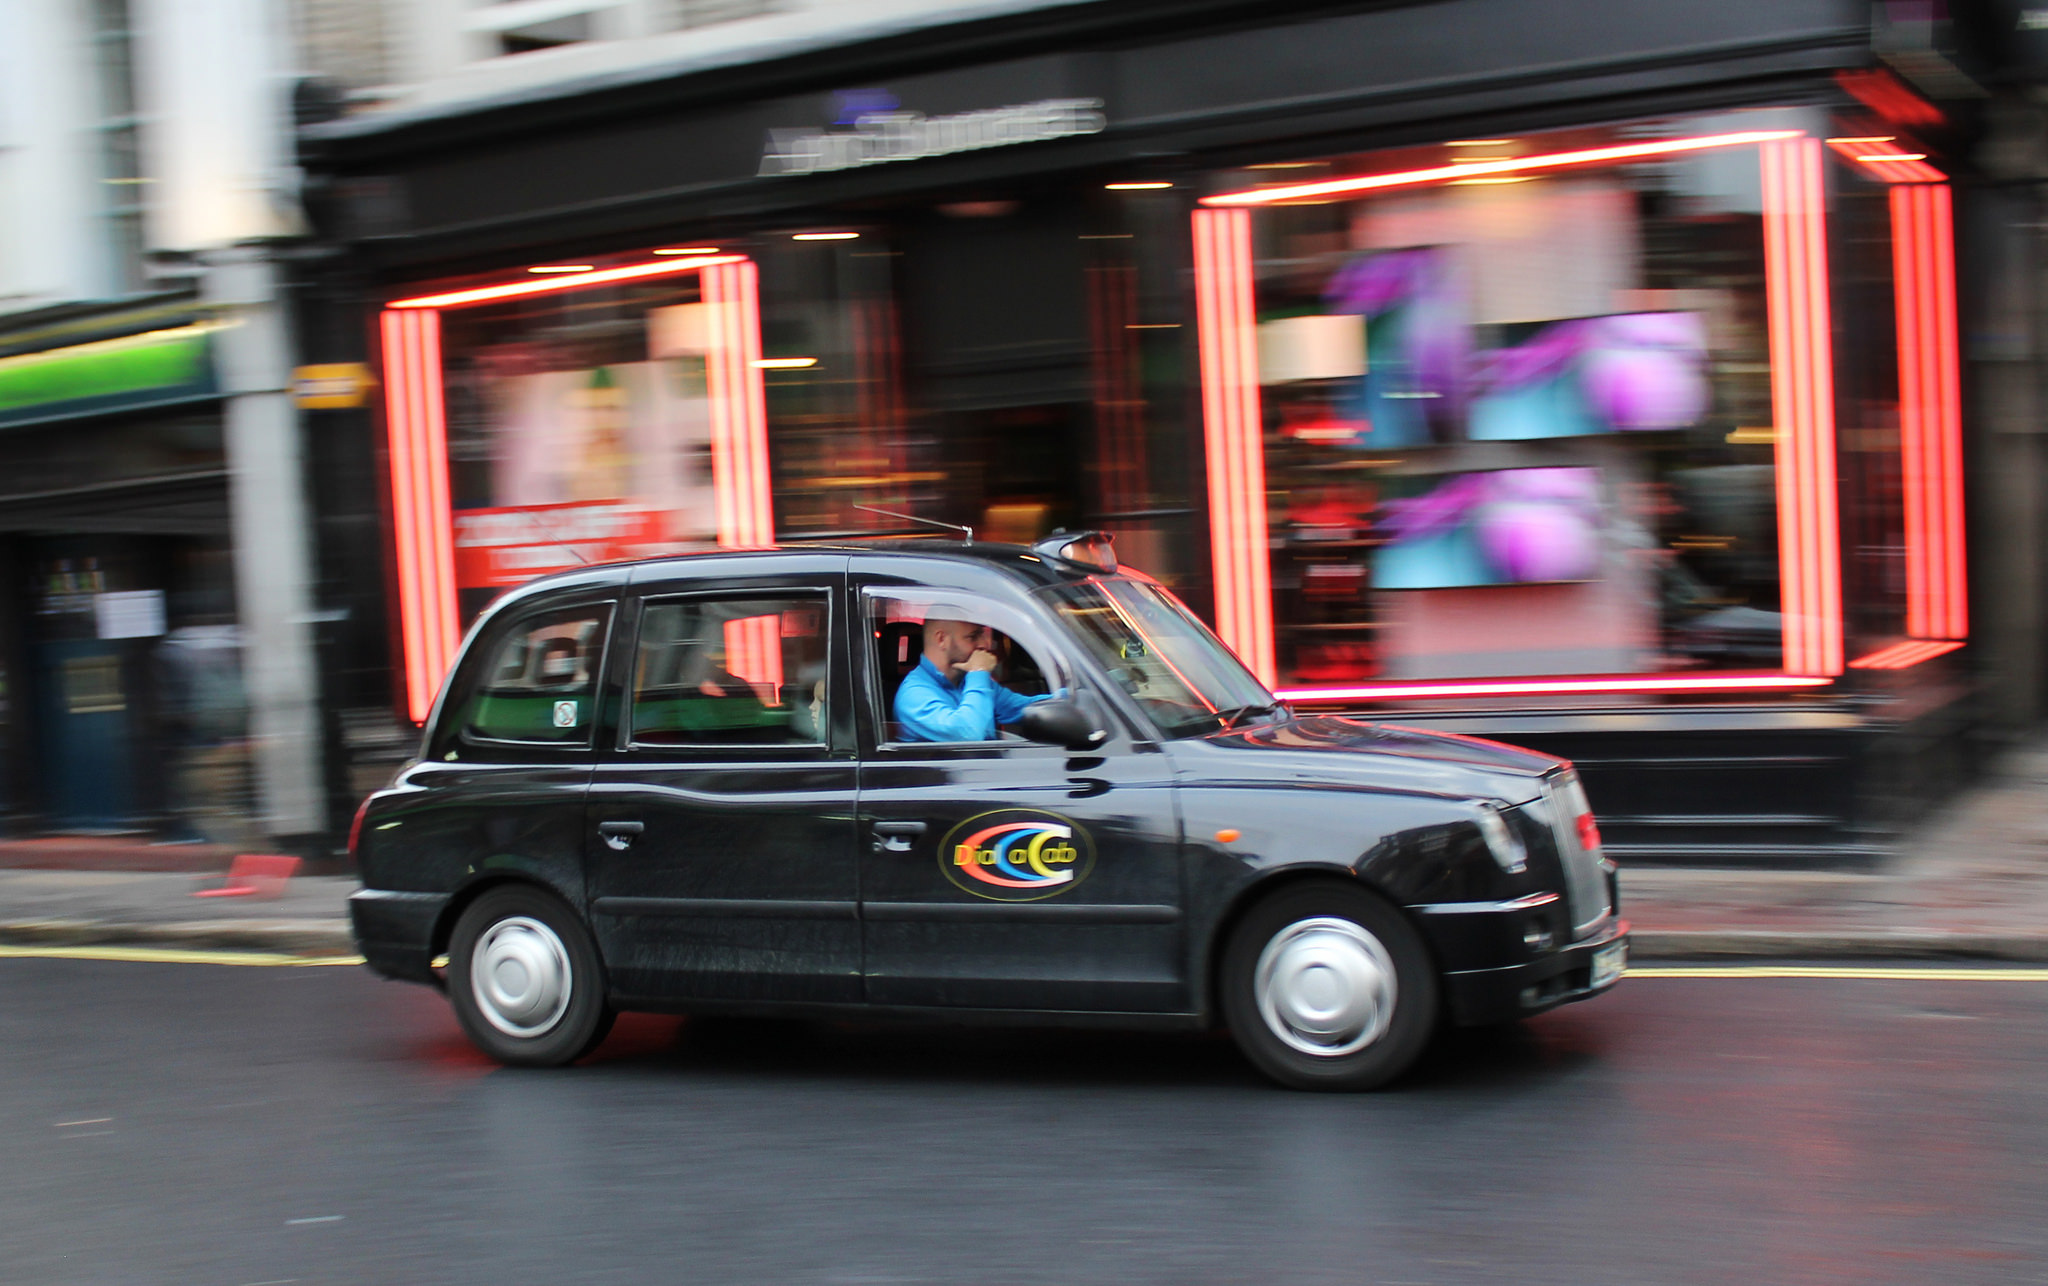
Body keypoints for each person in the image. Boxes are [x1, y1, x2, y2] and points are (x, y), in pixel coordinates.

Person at [894, 614, 1052, 742]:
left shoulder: (965, 681)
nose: (984, 644)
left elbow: (1022, 708)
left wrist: (1072, 697)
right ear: (942, 639)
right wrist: (978, 670)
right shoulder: (913, 696)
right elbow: (968, 735)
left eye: (982, 635)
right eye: (973, 637)